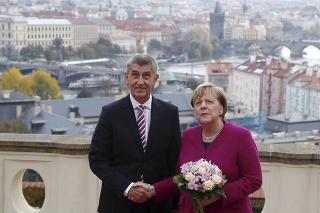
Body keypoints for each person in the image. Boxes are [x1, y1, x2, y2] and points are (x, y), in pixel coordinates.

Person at [133, 82, 262, 213]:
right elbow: (181, 178)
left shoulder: (240, 136)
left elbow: (253, 180)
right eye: (198, 103)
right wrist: (153, 190)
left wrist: (218, 194)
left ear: (221, 109)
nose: (203, 106)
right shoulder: (188, 135)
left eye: (209, 102)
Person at [89, 54, 181, 213]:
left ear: (155, 78)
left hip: (158, 204)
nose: (140, 82)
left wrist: (175, 206)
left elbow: (174, 163)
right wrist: (127, 187)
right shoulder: (110, 113)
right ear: (126, 77)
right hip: (118, 204)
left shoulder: (170, 113)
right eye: (135, 75)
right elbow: (97, 159)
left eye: (146, 75)